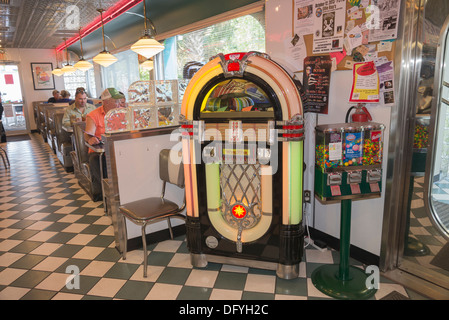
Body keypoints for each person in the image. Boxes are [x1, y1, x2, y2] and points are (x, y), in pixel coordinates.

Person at [84, 88, 125, 201]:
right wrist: (91, 139)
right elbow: (87, 135)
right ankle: (107, 193)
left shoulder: (123, 112)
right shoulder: (93, 115)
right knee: (96, 160)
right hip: (100, 151)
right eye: (115, 101)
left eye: (119, 101)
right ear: (106, 102)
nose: (118, 104)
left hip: (120, 147)